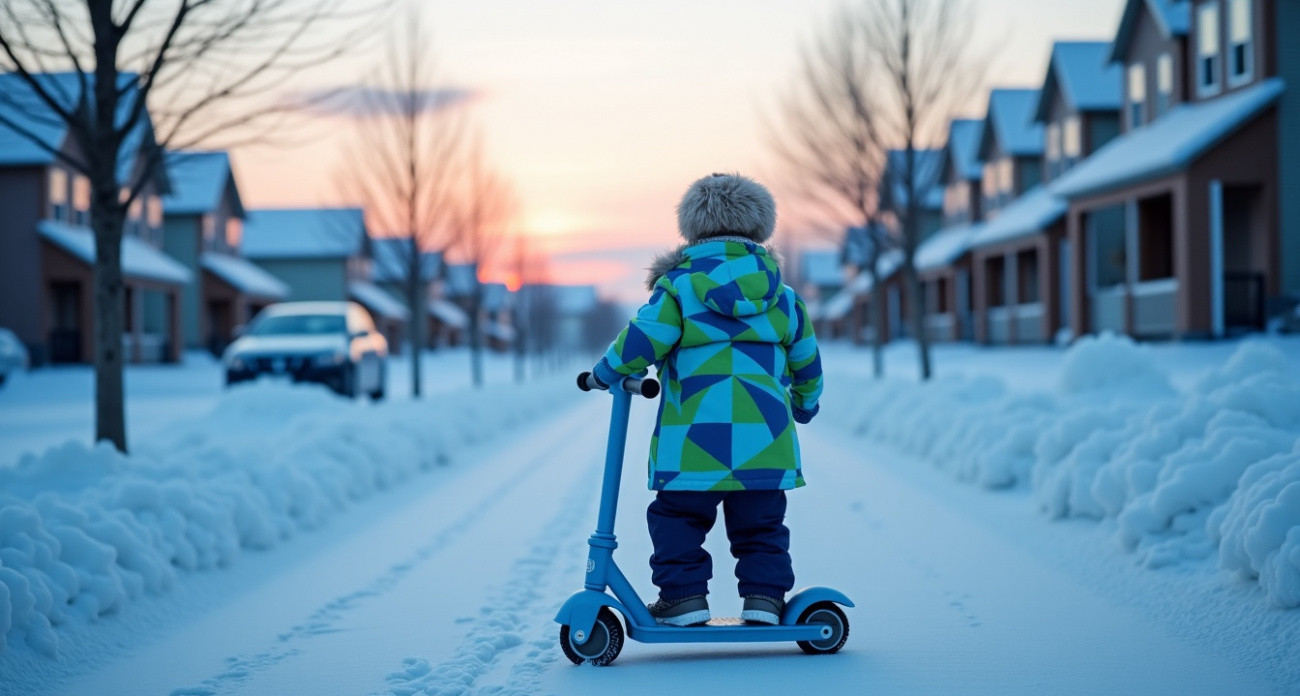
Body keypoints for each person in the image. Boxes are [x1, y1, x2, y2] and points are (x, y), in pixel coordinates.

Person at [590, 173, 823, 626]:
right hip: (764, 443)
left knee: (677, 519)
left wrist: (605, 373)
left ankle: (684, 599)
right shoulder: (785, 299)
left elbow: (642, 340)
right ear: (760, 227)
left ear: (692, 227)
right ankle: (765, 601)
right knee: (762, 528)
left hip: (693, 440)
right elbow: (807, 361)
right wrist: (805, 403)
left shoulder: (678, 289)